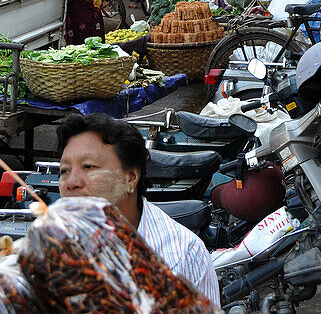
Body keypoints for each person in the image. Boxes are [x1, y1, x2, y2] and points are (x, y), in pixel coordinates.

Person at [56, 114, 219, 305]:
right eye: (64, 171)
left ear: (131, 178)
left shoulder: (182, 258)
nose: (72, 182)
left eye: (88, 167)